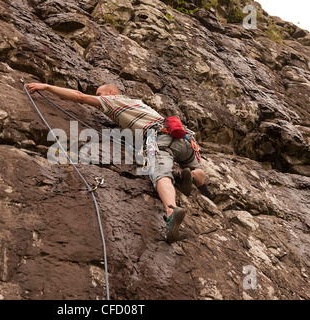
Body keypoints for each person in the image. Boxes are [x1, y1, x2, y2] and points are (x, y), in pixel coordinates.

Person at [26, 82, 207, 243]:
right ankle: (190, 177)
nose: (99, 99)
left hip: (160, 138)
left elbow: (80, 97)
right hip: (186, 138)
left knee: (159, 173)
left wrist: (47, 87)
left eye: (100, 94)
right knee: (199, 172)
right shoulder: (139, 103)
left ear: (111, 92)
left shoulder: (115, 101)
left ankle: (171, 210)